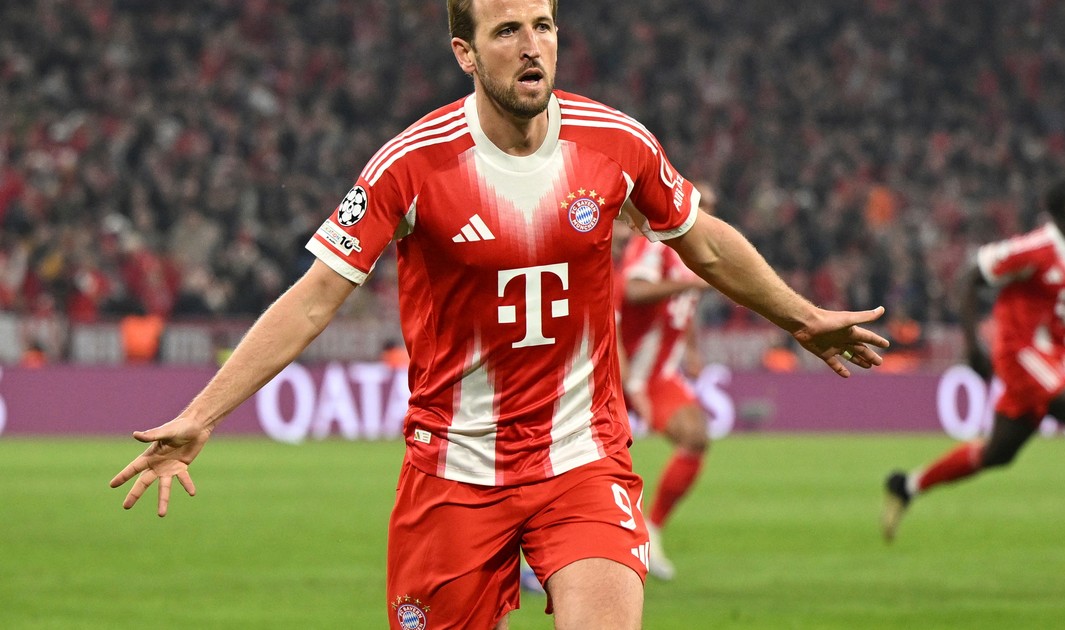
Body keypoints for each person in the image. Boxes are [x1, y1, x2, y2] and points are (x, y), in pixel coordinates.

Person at [109, 2, 890, 628]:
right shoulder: (410, 166)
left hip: (582, 460)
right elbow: (315, 296)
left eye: (543, 26)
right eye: (507, 30)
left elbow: (705, 243)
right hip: (453, 474)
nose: (531, 46)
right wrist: (203, 414)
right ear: (466, 53)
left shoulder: (615, 142)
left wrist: (799, 317)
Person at [881, 177, 1065, 578]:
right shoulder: (1033, 249)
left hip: (1052, 360)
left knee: (997, 454)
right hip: (1022, 356)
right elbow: (970, 276)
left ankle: (907, 485)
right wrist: (972, 346)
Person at [618, 181, 717, 581]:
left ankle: (652, 530)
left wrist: (691, 349)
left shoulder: (696, 253)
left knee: (696, 436)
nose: (706, 215)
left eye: (711, 208)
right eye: (701, 206)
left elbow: (682, 309)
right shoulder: (655, 243)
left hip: (656, 375)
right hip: (614, 367)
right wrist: (690, 283)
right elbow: (633, 290)